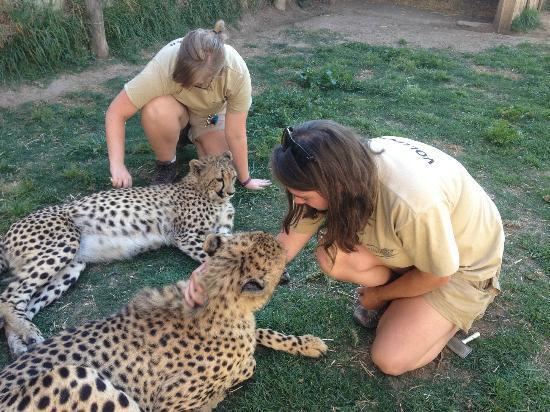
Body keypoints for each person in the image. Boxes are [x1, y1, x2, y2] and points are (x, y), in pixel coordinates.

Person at [267, 120, 504, 376]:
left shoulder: (414, 203)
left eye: (303, 196)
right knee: (334, 257)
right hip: (421, 249)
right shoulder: (346, 166)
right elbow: (290, 238)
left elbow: (438, 275)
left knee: (390, 359)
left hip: (462, 268)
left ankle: (446, 311)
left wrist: (379, 296)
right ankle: (409, 296)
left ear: (334, 185)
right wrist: (255, 272)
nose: (298, 202)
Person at [105, 20, 270, 189]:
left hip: (210, 115)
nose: (187, 86)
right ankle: (167, 165)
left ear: (216, 75)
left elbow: (236, 133)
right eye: (182, 79)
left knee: (222, 170)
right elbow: (116, 112)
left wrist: (246, 179)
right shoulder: (165, 64)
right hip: (176, 108)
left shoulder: (236, 72)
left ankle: (194, 134)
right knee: (156, 110)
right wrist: (117, 166)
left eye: (196, 83)